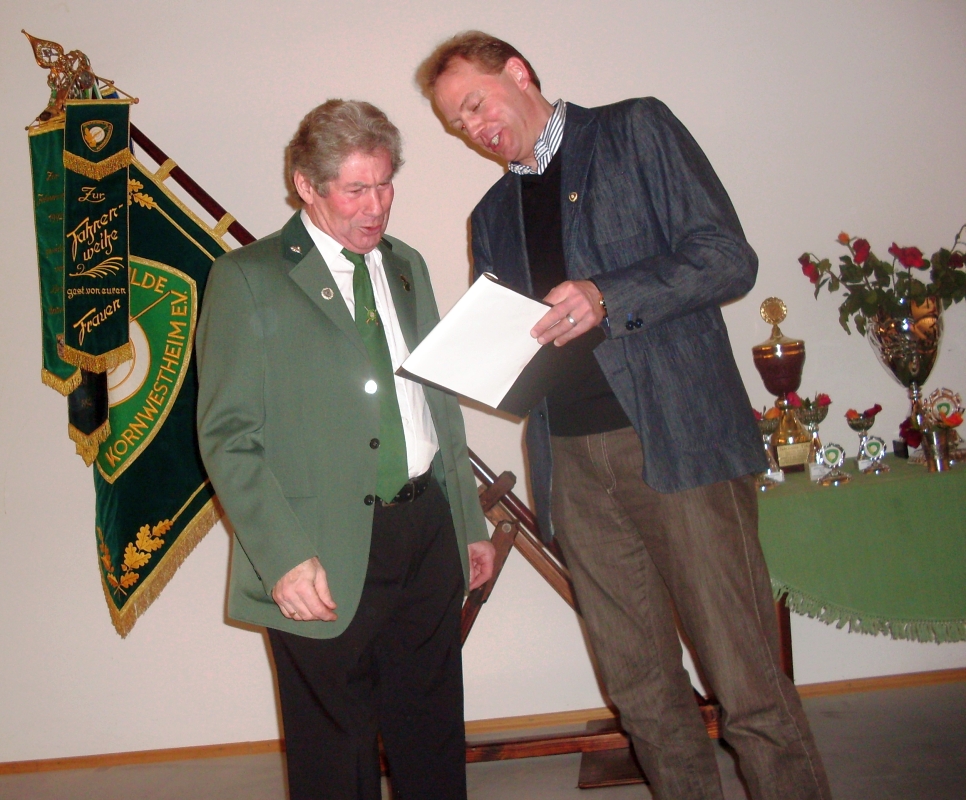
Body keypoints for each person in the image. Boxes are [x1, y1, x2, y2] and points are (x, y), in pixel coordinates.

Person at [417, 32, 831, 800]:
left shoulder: (634, 130)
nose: (472, 129)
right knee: (641, 695)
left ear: (518, 72)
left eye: (474, 104)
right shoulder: (492, 215)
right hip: (571, 467)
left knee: (745, 683)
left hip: (677, 443)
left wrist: (607, 295)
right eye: (456, 123)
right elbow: (519, 349)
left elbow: (726, 257)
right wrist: (474, 364)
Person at [196, 99, 494, 800]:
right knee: (335, 754)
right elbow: (228, 436)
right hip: (318, 546)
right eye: (356, 189)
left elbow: (438, 404)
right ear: (306, 185)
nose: (377, 206)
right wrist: (281, 556)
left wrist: (467, 521)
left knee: (432, 733)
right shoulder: (248, 278)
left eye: (385, 184)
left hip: (425, 531)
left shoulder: (405, 265)